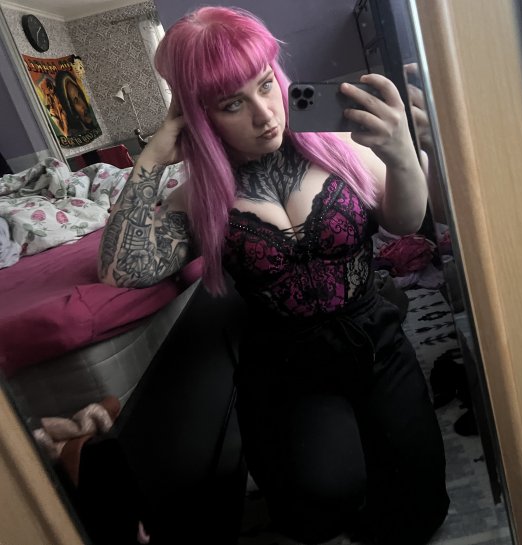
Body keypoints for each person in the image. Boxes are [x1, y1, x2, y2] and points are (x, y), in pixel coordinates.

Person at [97, 6, 449, 545]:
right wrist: (152, 157)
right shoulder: (199, 198)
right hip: (286, 365)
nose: (265, 114)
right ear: (199, 116)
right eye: (232, 104)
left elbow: (405, 223)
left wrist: (403, 154)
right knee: (324, 498)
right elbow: (122, 269)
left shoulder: (341, 147)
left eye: (265, 84)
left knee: (419, 514)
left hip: (374, 341)